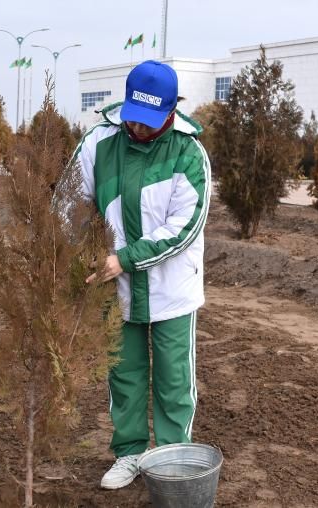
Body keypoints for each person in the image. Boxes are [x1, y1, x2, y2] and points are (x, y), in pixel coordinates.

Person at [71, 60, 211, 490]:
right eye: (135, 117)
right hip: (118, 289)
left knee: (172, 380)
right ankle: (130, 453)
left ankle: (172, 458)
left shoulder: (188, 153)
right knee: (125, 374)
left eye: (151, 122)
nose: (140, 128)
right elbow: (71, 203)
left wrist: (124, 259)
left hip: (171, 289)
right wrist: (71, 254)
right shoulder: (100, 142)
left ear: (172, 112)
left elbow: (183, 229)